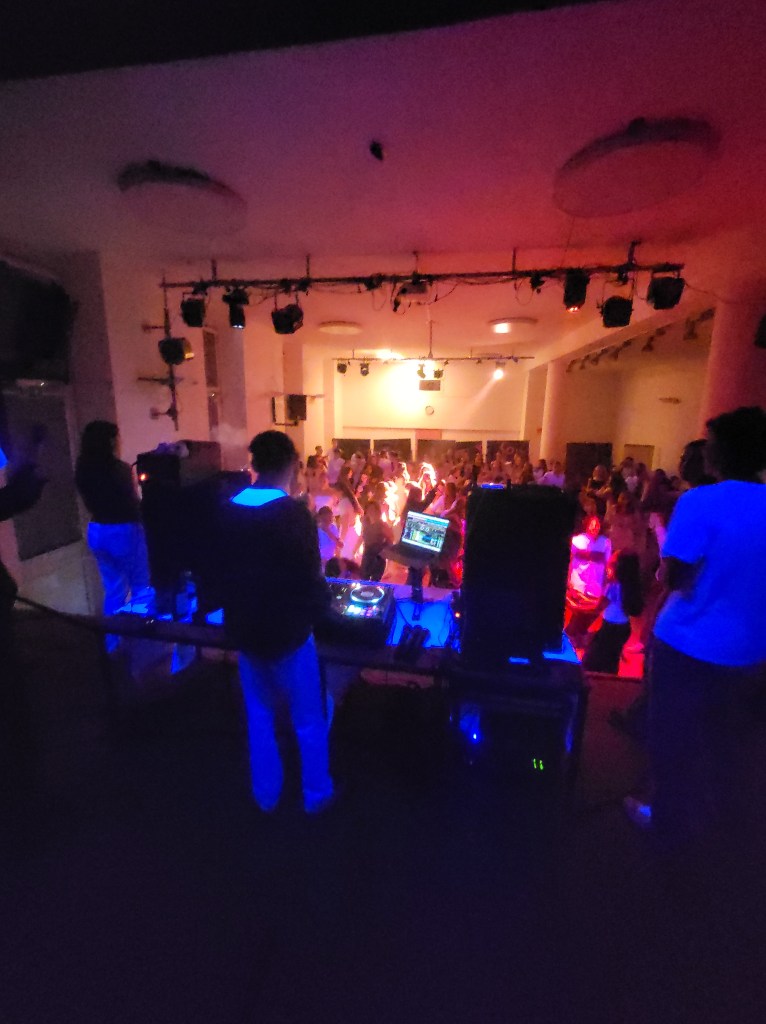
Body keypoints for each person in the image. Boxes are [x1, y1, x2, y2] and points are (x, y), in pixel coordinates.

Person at [624, 407, 766, 851]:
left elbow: (676, 576)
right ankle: (725, 821)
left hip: (687, 642)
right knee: (729, 736)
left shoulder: (700, 502)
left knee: (672, 733)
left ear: (721, 453)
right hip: (750, 648)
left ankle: (667, 820)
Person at [220, 430, 335, 815]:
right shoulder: (292, 513)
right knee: (308, 720)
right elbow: (308, 577)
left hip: (246, 632)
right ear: (290, 465)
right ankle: (316, 795)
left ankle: (265, 796)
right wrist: (326, 609)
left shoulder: (229, 507)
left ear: (255, 463)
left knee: (259, 718)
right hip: (288, 634)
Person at [74, 421, 151, 632]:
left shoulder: (82, 469)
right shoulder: (120, 469)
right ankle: (142, 638)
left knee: (114, 590)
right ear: (109, 441)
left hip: (97, 530)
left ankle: (112, 641)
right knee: (141, 585)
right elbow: (132, 503)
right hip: (123, 531)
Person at [583, 550, 644, 673]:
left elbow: (599, 607)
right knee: (612, 659)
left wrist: (582, 604)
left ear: (617, 566)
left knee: (591, 661)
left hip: (610, 628)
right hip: (624, 628)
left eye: (612, 561)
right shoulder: (630, 586)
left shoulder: (613, 586)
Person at [316, 505, 341, 569]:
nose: (330, 520)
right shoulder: (317, 530)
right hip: (320, 559)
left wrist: (328, 532)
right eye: (327, 518)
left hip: (331, 559)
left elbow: (339, 544)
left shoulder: (333, 528)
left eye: (331, 517)